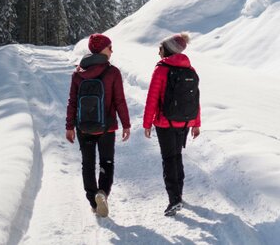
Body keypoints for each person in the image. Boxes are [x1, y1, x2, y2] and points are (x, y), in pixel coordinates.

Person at [65, 33, 131, 217]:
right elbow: (119, 101)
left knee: (87, 163)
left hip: (83, 126)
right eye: (109, 47)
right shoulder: (112, 72)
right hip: (107, 127)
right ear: (101, 49)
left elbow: (72, 102)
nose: (112, 50)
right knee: (106, 162)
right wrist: (126, 124)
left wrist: (69, 126)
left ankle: (93, 201)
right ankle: (102, 192)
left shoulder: (78, 73)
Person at [143, 32, 201, 216]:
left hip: (164, 122)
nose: (158, 51)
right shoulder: (190, 70)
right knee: (177, 157)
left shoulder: (161, 69)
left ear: (167, 49)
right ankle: (179, 195)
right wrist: (196, 123)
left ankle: (174, 199)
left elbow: (152, 98)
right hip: (184, 122)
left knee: (169, 159)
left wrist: (147, 123)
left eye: (160, 48)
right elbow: (195, 99)